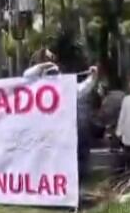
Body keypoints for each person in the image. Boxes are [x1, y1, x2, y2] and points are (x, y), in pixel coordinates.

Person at [23, 49, 99, 180]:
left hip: (59, 134)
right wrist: (45, 65)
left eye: (55, 73)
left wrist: (94, 76)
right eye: (50, 73)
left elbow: (83, 88)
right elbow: (27, 75)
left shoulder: (64, 88)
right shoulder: (38, 88)